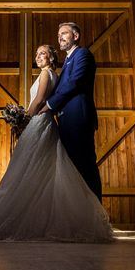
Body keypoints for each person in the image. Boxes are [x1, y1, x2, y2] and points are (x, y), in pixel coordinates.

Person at [0, 43, 114, 242]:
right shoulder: (51, 74)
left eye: (43, 54)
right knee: (40, 170)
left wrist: (23, 120)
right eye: (37, 54)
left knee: (26, 168)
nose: (39, 57)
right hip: (42, 122)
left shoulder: (47, 74)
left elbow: (39, 100)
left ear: (51, 58)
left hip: (39, 122)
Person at [42, 22, 102, 200]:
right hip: (66, 121)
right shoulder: (67, 61)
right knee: (72, 168)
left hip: (79, 120)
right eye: (58, 34)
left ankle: (95, 215)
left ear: (75, 36)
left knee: (84, 166)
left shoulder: (82, 54)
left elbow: (74, 83)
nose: (59, 37)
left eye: (64, 33)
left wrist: (49, 105)